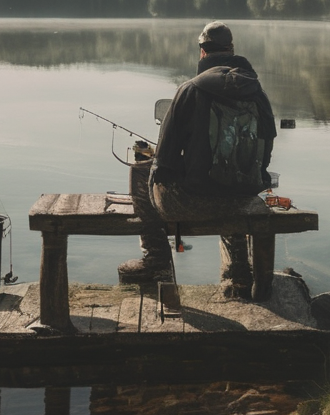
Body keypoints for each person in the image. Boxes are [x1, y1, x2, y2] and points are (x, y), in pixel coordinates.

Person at [117, 21, 278, 300]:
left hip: (192, 203)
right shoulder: (258, 93)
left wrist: (172, 163)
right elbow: (266, 151)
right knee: (230, 182)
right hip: (244, 198)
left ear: (203, 52)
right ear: (231, 50)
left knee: (142, 172)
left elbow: (164, 162)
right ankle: (239, 269)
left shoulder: (190, 89)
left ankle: (156, 260)